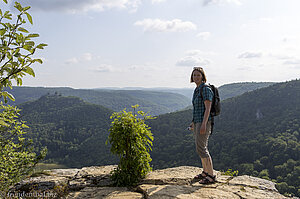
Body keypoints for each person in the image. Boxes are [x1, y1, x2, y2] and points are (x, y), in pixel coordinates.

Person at [190, 66, 216, 184]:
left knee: (202, 148)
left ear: (202, 76)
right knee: (199, 148)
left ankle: (211, 175)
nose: (196, 77)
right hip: (197, 121)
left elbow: (208, 108)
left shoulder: (205, 89)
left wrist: (204, 124)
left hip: (203, 122)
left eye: (198, 75)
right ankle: (205, 172)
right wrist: (193, 123)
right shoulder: (197, 89)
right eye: (194, 75)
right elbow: (197, 109)